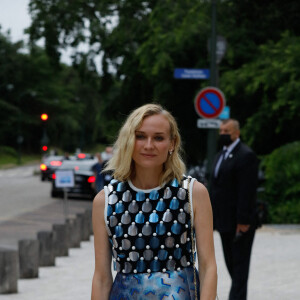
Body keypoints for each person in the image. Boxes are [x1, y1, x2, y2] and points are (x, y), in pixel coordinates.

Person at [91, 103, 217, 299]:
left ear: (172, 143)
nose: (148, 145)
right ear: (128, 140)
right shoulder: (106, 200)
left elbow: (209, 267)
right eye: (140, 136)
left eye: (158, 138)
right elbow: (101, 277)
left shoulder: (192, 193)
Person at [210, 119, 258, 300]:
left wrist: (243, 221)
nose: (223, 134)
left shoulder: (246, 155)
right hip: (224, 221)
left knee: (239, 269)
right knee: (232, 266)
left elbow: (247, 191)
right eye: (221, 131)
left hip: (240, 223)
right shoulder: (221, 154)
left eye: (226, 131)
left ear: (236, 133)